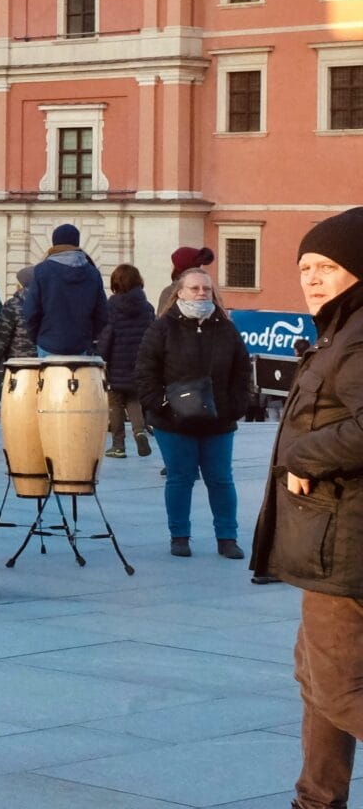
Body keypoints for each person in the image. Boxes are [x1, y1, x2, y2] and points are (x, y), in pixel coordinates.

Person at [252, 207, 363, 809]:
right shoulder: (339, 331)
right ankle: (317, 800)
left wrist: (304, 454)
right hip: (329, 538)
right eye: (305, 267)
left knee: (339, 688)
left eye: (328, 266)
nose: (313, 279)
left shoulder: (357, 338)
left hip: (343, 546)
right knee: (315, 679)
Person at [137, 265, 256, 559]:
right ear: (180, 292)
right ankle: (179, 536)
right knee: (180, 478)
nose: (201, 293)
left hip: (218, 420)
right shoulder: (162, 328)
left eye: (206, 288)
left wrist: (235, 407)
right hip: (173, 422)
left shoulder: (226, 328)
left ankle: (227, 538)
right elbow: (145, 374)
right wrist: (164, 406)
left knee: (221, 479)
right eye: (194, 288)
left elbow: (242, 371)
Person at [98, 263, 157, 460]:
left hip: (116, 363)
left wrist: (102, 358)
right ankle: (139, 431)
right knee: (134, 399)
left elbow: (107, 336)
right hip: (139, 363)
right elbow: (152, 336)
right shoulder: (147, 308)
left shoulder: (111, 307)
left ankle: (118, 446)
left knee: (115, 403)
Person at [22, 223, 108, 357]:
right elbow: (102, 314)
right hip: (81, 345)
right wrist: (88, 337)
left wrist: (38, 338)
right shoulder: (93, 273)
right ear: (77, 243)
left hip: (48, 344)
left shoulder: (41, 271)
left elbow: (30, 312)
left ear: (54, 244)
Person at [156, 245, 219, 319]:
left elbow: (161, 320)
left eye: (173, 264)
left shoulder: (170, 291)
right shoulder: (210, 290)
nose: (201, 292)